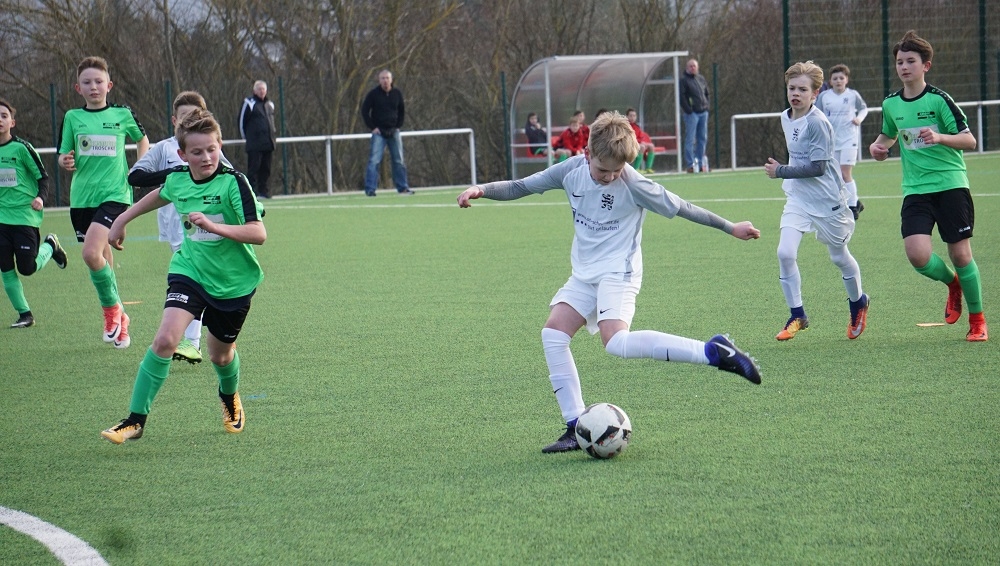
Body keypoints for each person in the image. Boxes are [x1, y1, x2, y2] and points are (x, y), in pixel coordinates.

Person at [457, 111, 762, 454]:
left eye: (618, 170)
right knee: (553, 334)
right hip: (585, 273)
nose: (611, 176)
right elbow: (520, 186)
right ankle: (575, 426)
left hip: (620, 271)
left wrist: (730, 227)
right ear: (587, 153)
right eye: (604, 170)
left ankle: (712, 352)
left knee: (615, 342)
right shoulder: (569, 171)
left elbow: (684, 208)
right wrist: (482, 189)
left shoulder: (635, 184)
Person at [101, 108, 266, 444]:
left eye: (212, 149)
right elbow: (159, 195)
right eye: (197, 152)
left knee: (220, 355)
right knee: (165, 340)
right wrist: (122, 219)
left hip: (234, 282)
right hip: (189, 271)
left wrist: (213, 226)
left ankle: (229, 396)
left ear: (220, 146)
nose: (206, 157)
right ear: (182, 154)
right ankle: (135, 420)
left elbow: (258, 233)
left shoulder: (234, 182)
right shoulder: (178, 178)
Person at [870, 30, 987, 342]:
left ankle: (977, 320)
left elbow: (969, 140)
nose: (904, 67)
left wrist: (939, 137)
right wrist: (878, 148)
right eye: (900, 62)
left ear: (926, 66)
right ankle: (953, 283)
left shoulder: (939, 99)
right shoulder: (891, 104)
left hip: (950, 186)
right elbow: (888, 135)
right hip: (915, 189)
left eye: (911, 61)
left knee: (961, 255)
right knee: (918, 255)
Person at [765, 61, 869, 342]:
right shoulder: (785, 116)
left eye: (802, 89)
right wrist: (786, 172)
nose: (795, 94)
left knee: (838, 257)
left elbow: (818, 167)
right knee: (785, 253)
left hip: (827, 201)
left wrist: (780, 171)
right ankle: (797, 314)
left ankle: (858, 302)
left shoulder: (817, 123)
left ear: (815, 93)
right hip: (798, 198)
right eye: (791, 88)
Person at [129, 91, 234, 364]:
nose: (189, 122)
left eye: (195, 116)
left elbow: (233, 177)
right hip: (174, 226)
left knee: (196, 279)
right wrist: (175, 174)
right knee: (196, 280)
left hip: (205, 227)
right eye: (184, 118)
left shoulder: (208, 150)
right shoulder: (165, 149)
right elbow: (135, 177)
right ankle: (198, 339)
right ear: (174, 120)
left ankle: (194, 342)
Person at [58, 56, 149, 349]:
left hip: (115, 194)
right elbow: (63, 153)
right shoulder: (72, 117)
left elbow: (142, 139)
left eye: (99, 81)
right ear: (78, 88)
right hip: (82, 197)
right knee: (102, 255)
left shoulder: (122, 114)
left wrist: (140, 168)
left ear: (109, 85)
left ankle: (111, 311)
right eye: (87, 82)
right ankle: (122, 315)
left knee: (89, 254)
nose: (93, 87)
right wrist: (64, 160)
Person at [0, 98, 68, 328]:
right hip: (1, 218)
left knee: (27, 268)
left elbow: (43, 177)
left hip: (24, 217)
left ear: (12, 122)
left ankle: (50, 245)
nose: (0, 120)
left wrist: (40, 197)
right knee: (5, 266)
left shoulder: (22, 148)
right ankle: (25, 314)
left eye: (3, 116)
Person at [815, 64, 868, 219]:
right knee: (836, 175)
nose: (838, 81)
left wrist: (859, 118)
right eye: (835, 78)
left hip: (849, 139)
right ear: (830, 81)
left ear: (847, 80)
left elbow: (864, 108)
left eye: (841, 78)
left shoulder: (853, 95)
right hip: (832, 141)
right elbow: (817, 113)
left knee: (845, 173)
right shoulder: (824, 97)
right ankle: (856, 201)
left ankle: (852, 207)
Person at [360, 69, 413, 196]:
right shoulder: (373, 94)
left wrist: (398, 126)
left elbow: (402, 111)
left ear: (391, 79)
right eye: (382, 78)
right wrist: (373, 127)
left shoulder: (397, 94)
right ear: (379, 80)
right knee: (374, 161)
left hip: (394, 132)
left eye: (387, 78)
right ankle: (370, 189)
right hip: (379, 133)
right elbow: (364, 111)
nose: (385, 81)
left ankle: (403, 187)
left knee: (399, 160)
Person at [238, 80, 276, 198]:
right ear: (254, 91)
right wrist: (247, 138)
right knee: (253, 169)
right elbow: (241, 122)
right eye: (259, 89)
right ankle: (252, 193)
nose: (262, 91)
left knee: (266, 169)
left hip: (268, 143)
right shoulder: (249, 103)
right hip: (255, 144)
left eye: (263, 89)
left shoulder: (269, 104)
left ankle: (264, 191)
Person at [679, 58, 710, 173]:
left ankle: (700, 164)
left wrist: (707, 106)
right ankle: (690, 164)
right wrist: (689, 110)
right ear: (687, 68)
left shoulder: (701, 79)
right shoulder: (684, 80)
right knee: (690, 139)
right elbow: (682, 97)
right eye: (690, 66)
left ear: (697, 67)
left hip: (703, 112)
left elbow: (706, 93)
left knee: (702, 138)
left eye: (694, 66)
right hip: (692, 114)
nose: (693, 68)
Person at [626, 108, 656, 174]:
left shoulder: (637, 127)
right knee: (641, 147)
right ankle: (636, 168)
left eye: (634, 116)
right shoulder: (625, 126)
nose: (632, 118)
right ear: (627, 116)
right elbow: (628, 138)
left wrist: (642, 142)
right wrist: (639, 142)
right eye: (630, 116)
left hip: (637, 144)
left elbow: (640, 136)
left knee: (651, 146)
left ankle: (648, 168)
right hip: (628, 145)